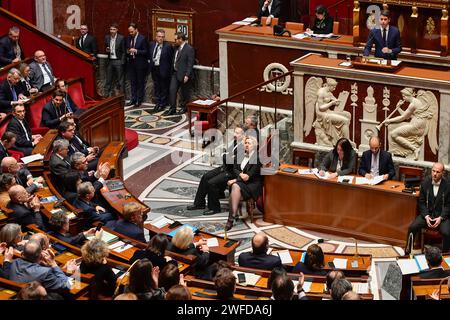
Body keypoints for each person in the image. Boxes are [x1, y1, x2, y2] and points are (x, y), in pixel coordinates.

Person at [187, 125, 245, 215]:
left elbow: (232, 162)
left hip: (232, 172)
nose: (234, 134)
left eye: (237, 133)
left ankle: (214, 208)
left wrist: (225, 156)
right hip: (225, 167)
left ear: (243, 135)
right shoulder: (235, 142)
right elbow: (228, 156)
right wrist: (227, 156)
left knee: (212, 183)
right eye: (235, 132)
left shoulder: (243, 147)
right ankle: (199, 203)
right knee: (205, 177)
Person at [383, 87, 437, 160]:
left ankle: (414, 149)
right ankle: (395, 150)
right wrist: (398, 108)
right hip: (416, 125)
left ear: (408, 95)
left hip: (416, 127)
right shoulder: (416, 101)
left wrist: (389, 120)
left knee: (394, 134)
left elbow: (403, 117)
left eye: (404, 96)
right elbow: (407, 116)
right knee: (392, 127)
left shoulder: (413, 104)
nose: (404, 98)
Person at [407, 162, 450, 253]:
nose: (435, 174)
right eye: (433, 171)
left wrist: (441, 217)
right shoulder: (425, 182)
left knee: (446, 233)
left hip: (441, 216)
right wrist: (426, 216)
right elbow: (421, 202)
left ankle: (445, 256)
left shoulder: (447, 186)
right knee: (412, 227)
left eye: (438, 172)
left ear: (443, 173)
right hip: (427, 215)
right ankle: (407, 252)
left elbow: (448, 205)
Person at [225, 136, 263, 231]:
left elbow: (247, 177)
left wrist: (235, 180)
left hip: (252, 185)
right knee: (235, 186)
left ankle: (230, 219)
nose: (246, 145)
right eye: (246, 143)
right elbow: (235, 169)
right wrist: (239, 176)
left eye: (249, 143)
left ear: (254, 146)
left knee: (234, 185)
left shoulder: (257, 158)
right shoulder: (240, 155)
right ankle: (232, 217)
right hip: (240, 183)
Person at [9, 240, 76, 292]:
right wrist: (54, 264)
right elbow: (68, 285)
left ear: (22, 253)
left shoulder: (14, 262)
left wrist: (46, 265)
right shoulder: (45, 272)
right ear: (41, 255)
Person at [165, 32, 195, 116]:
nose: (175, 41)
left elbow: (190, 63)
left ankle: (184, 107)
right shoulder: (176, 47)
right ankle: (172, 108)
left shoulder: (189, 49)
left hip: (184, 74)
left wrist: (187, 75)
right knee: (172, 90)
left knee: (185, 93)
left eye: (176, 39)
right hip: (175, 73)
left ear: (181, 39)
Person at [149, 29, 174, 113]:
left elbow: (171, 60)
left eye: (162, 37)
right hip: (154, 69)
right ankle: (158, 103)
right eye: (159, 37)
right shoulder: (152, 44)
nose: (161, 38)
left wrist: (169, 72)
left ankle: (162, 104)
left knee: (163, 87)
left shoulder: (168, 46)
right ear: (156, 37)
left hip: (163, 70)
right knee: (156, 87)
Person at [125, 23, 149, 108]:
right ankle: (133, 99)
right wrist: (128, 51)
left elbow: (146, 52)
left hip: (140, 64)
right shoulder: (128, 38)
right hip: (131, 63)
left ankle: (139, 100)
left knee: (140, 83)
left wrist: (136, 51)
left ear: (136, 30)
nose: (130, 33)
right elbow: (127, 48)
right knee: (133, 82)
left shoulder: (142, 38)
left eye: (132, 32)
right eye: (129, 32)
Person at [104, 23, 126, 97]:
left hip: (118, 60)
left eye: (114, 29)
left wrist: (122, 62)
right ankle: (106, 95)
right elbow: (106, 48)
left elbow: (124, 51)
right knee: (108, 79)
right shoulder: (107, 37)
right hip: (110, 60)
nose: (112, 31)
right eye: (111, 29)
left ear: (117, 30)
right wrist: (106, 50)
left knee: (120, 80)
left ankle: (121, 96)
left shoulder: (121, 38)